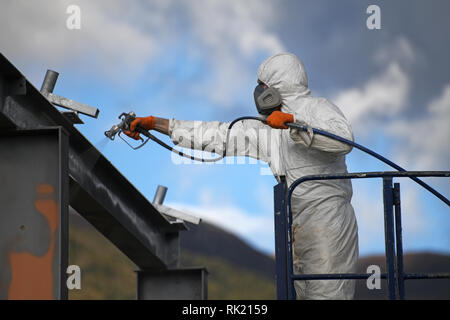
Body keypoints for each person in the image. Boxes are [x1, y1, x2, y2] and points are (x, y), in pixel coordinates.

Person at [125, 53, 359, 300]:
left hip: (329, 223)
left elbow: (343, 139)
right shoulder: (267, 129)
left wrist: (295, 123)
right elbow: (218, 135)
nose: (258, 93)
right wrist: (159, 124)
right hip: (297, 227)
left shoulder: (318, 108)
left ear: (277, 87)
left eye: (263, 86)